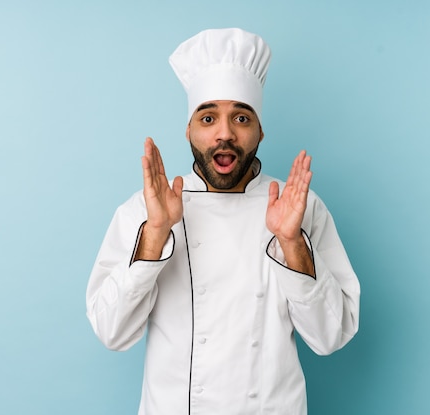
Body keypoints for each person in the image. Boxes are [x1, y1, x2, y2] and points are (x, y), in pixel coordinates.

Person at [86, 28, 360, 415]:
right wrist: (156, 235)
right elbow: (111, 332)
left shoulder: (299, 207)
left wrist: (291, 242)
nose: (224, 134)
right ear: (189, 130)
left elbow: (330, 336)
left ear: (260, 130)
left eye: (241, 118)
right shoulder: (145, 211)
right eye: (209, 117)